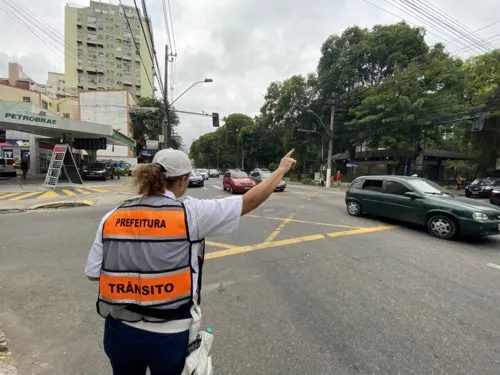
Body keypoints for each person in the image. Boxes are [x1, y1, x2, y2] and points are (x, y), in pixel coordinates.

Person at [85, 148, 296, 375]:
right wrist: (281, 169)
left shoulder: (114, 215)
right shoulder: (191, 213)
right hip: (169, 335)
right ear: (183, 180)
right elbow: (250, 200)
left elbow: (93, 272)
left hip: (120, 332)